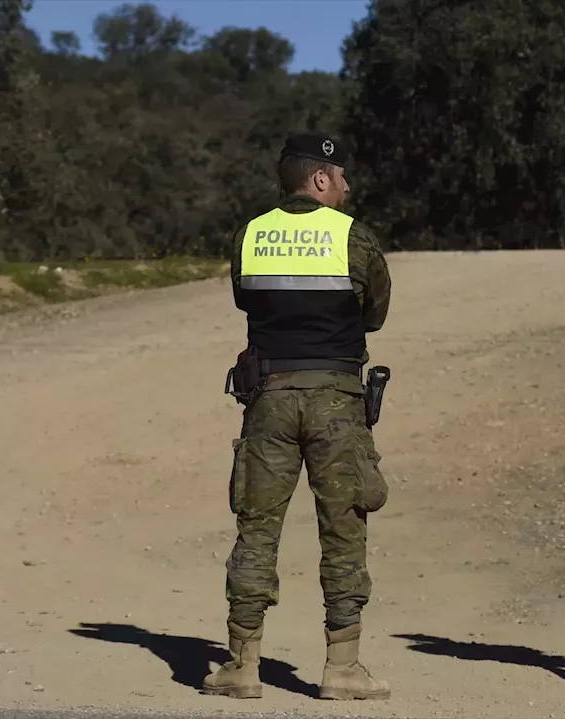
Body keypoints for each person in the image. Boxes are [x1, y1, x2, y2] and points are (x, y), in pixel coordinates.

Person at [202, 132, 392, 701]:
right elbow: (376, 312)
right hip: (336, 399)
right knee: (343, 528)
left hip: (269, 400)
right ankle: (342, 669)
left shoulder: (250, 235)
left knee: (257, 528)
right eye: (340, 177)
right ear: (318, 180)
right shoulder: (353, 236)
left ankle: (240, 664)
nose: (347, 186)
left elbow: (246, 300)